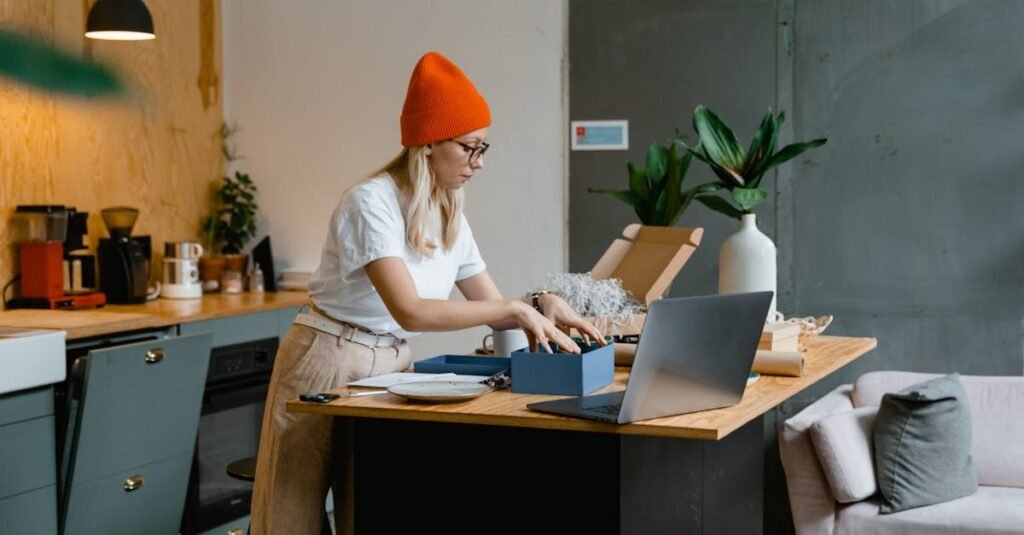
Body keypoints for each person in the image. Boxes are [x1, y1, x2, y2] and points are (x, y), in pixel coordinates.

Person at [250, 51, 604, 535]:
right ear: (429, 144)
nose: (478, 164)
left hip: (392, 363)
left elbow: (495, 310)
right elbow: (411, 310)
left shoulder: (450, 210)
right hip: (328, 355)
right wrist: (517, 308)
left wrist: (540, 304)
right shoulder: (370, 202)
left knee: (372, 505)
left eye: (484, 149)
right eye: (469, 148)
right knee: (291, 514)